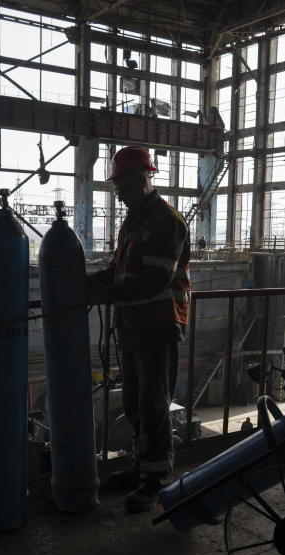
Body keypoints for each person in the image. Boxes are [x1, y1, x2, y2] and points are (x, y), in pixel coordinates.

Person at [86, 146, 190, 513]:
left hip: (159, 326)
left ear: (145, 177)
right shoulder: (132, 222)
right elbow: (119, 269)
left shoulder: (167, 221)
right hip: (131, 326)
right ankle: (140, 466)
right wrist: (88, 282)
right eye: (117, 187)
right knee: (132, 404)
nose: (120, 193)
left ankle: (154, 480)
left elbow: (153, 280)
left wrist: (106, 292)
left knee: (152, 405)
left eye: (124, 184)